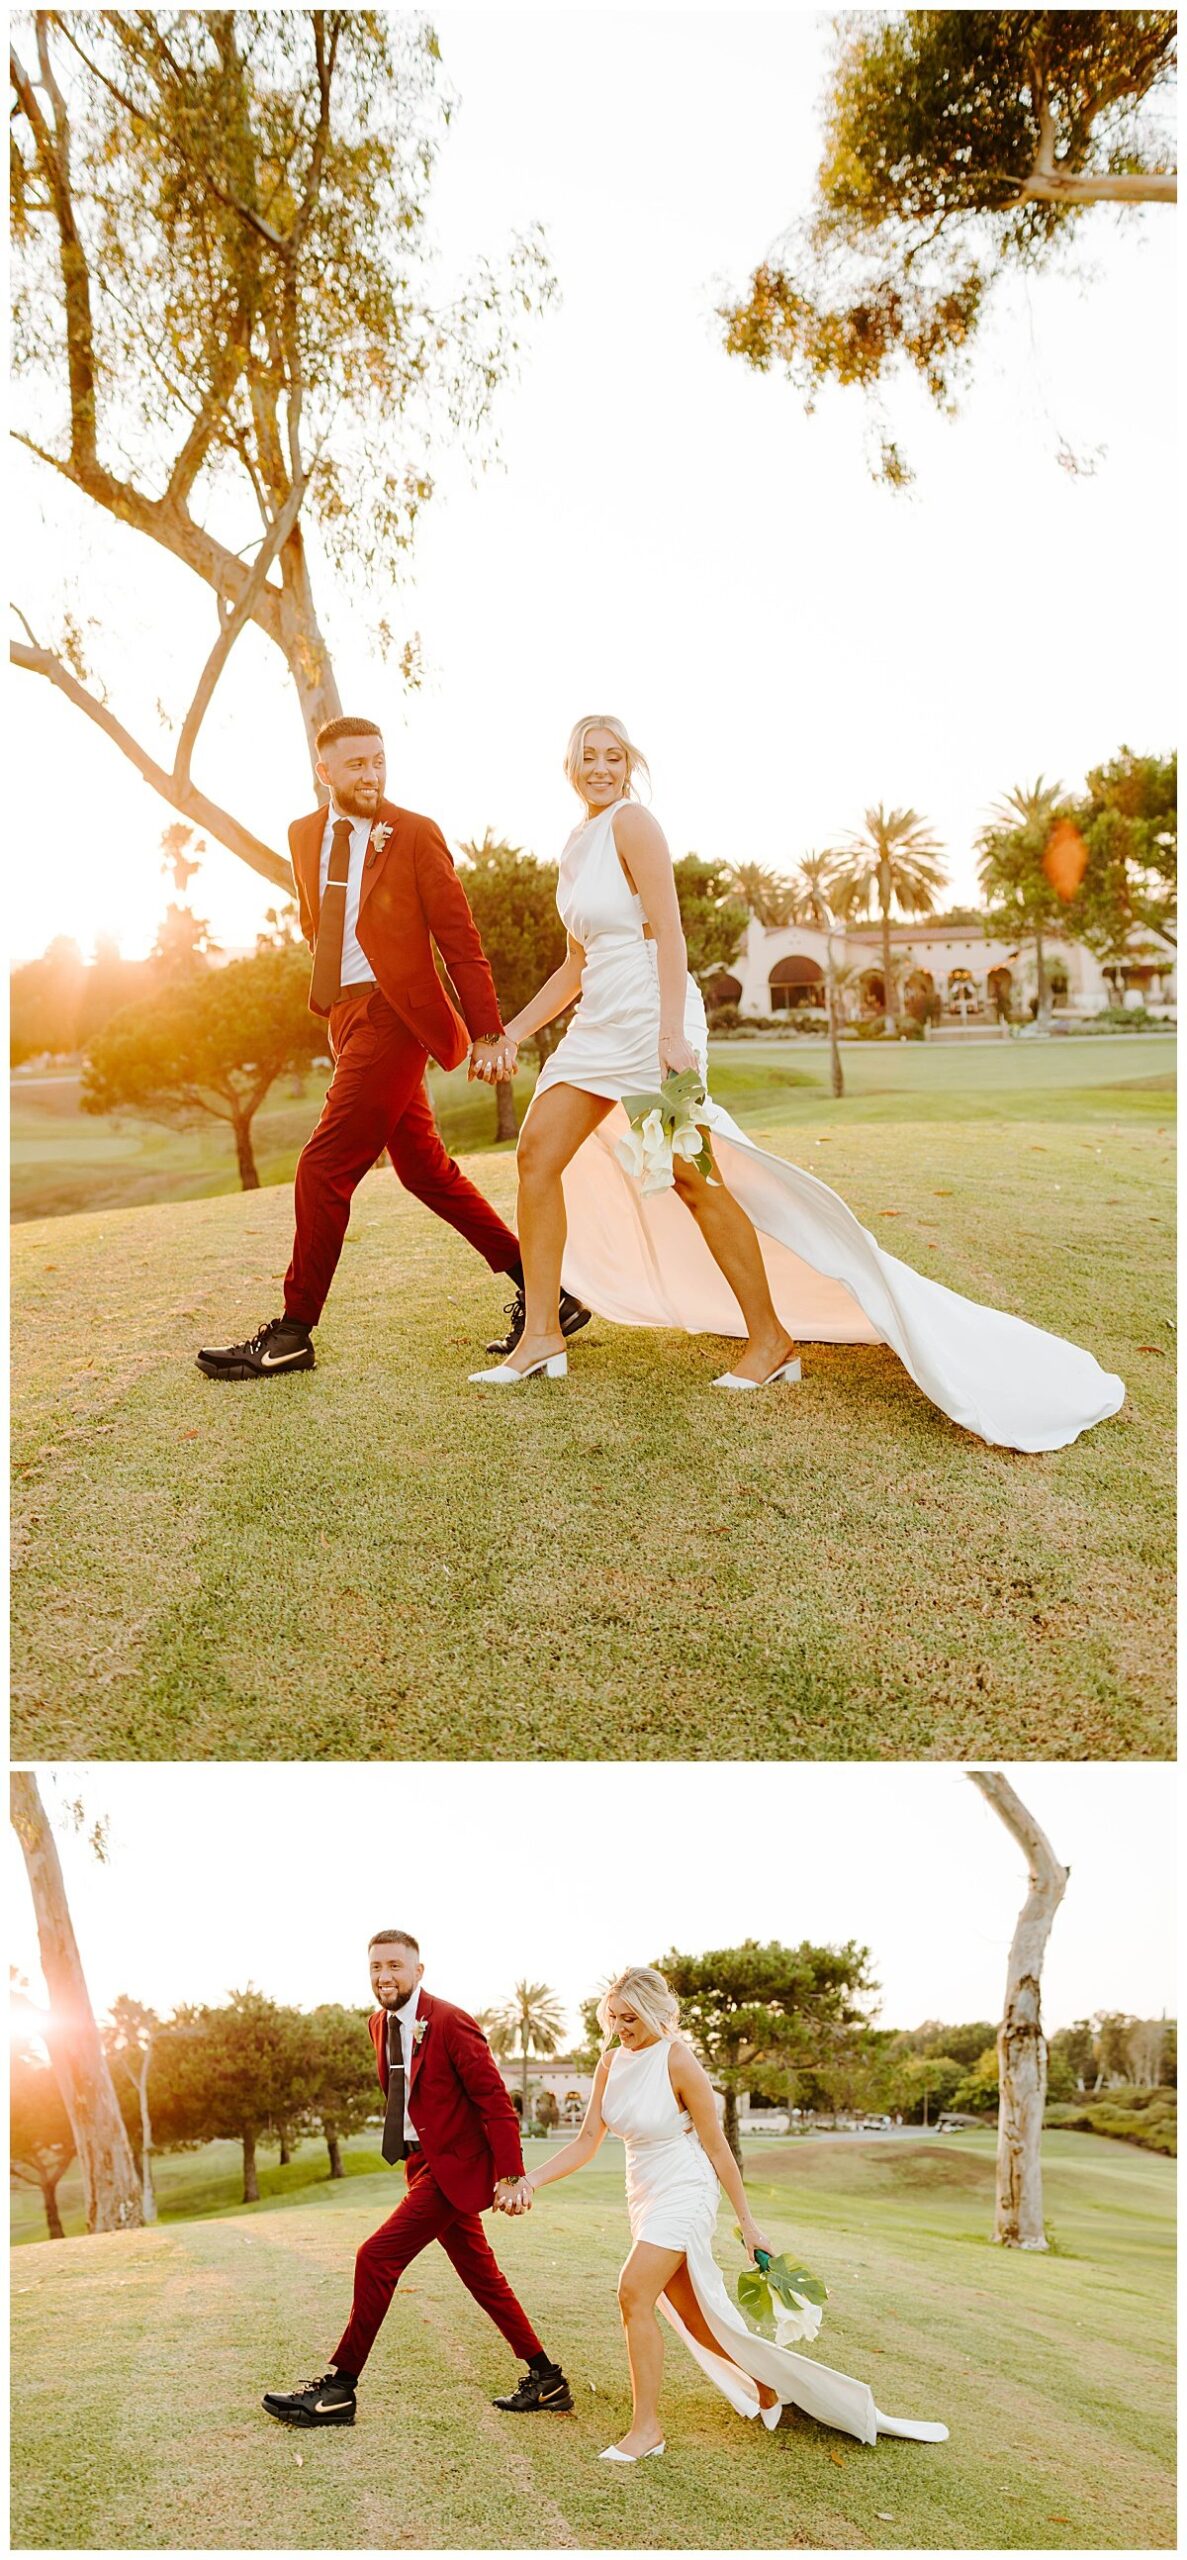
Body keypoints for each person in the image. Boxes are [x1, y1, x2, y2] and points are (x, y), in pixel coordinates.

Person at [468, 714, 1125, 1452]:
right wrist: (513, 1033)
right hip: (597, 1021)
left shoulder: (634, 823)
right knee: (536, 1157)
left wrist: (670, 1036)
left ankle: (770, 1341)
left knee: (692, 1179)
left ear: (628, 765)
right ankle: (542, 1339)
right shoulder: (574, 843)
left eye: (612, 756)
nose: (599, 767)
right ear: (567, 767)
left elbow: (671, 929)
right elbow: (572, 963)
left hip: (653, 1013)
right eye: (586, 756)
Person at [197, 716, 587, 1379]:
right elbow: (316, 924)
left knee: (322, 1166)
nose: (371, 775)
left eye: (378, 761)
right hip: (344, 1015)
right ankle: (550, 1293)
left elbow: (458, 938)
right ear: (324, 773)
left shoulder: (413, 833)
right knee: (423, 1170)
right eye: (355, 766)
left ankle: (293, 1333)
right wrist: (334, 1003)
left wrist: (489, 1029)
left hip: (394, 1015)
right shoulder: (301, 835)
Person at [506, 1965, 946, 2463]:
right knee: (696, 2320)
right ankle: (767, 2387)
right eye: (614, 2018)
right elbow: (587, 2142)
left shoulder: (678, 2061)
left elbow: (717, 2149)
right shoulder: (610, 2063)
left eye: (630, 2018)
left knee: (632, 2292)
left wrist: (749, 2225)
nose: (621, 2028)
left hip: (687, 2187)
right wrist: (530, 2182)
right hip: (644, 2192)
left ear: (656, 2013)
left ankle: (646, 2430)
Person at [262, 1928, 570, 2428]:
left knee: (375, 2257)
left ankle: (340, 2389)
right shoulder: (377, 2025)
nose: (384, 1976)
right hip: (421, 2165)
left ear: (418, 1971)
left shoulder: (450, 2022)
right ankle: (547, 2379)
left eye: (395, 1966)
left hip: (457, 2169)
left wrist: (511, 2175)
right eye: (375, 1968)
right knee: (482, 2277)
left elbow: (495, 2105)